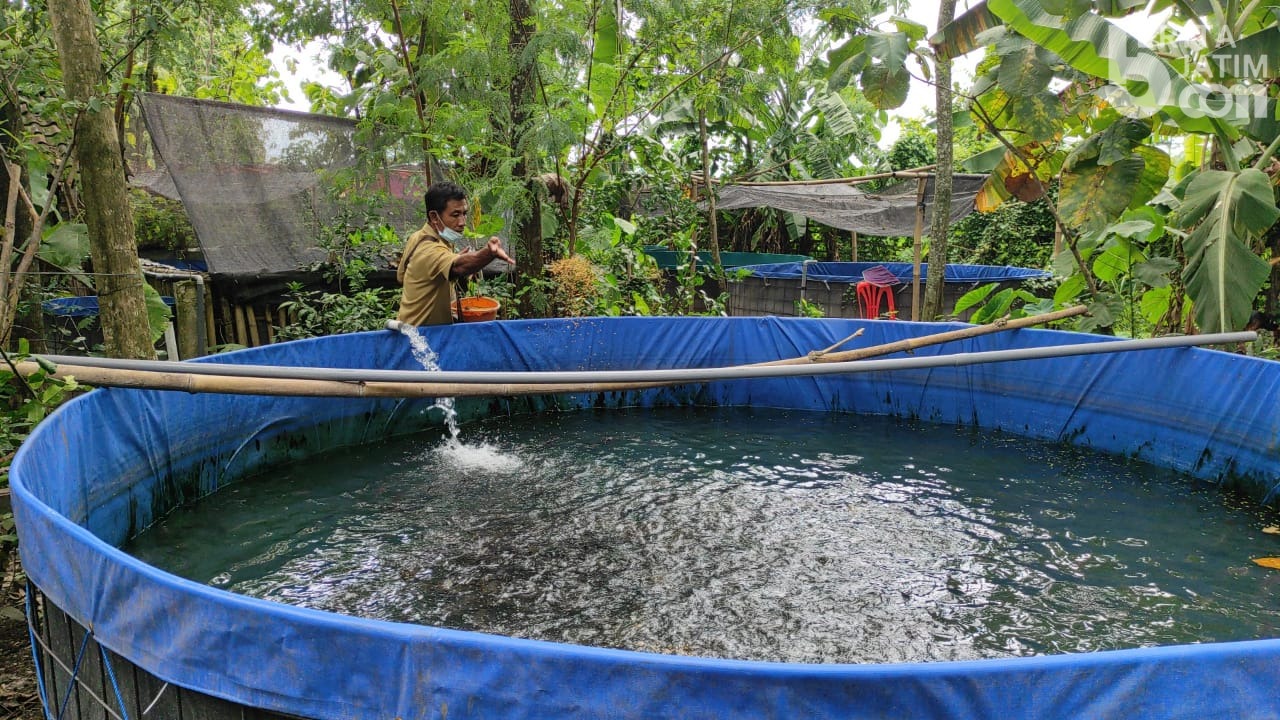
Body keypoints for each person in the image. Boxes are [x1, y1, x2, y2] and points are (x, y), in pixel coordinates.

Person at [396, 181, 515, 326]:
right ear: (434, 217)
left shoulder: (420, 236)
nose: (462, 222)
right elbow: (458, 267)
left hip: (417, 328)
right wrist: (488, 254)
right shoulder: (428, 250)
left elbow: (401, 276)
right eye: (455, 215)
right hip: (418, 336)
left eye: (464, 213)